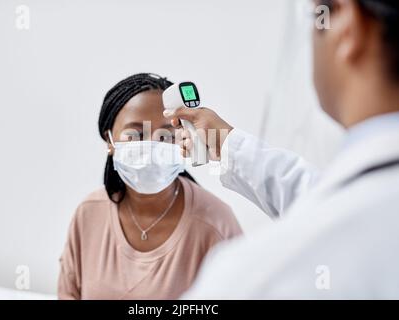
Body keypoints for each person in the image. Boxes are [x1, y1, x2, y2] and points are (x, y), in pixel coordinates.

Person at [163, 0, 399, 298]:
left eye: (314, 18)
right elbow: (320, 197)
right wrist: (228, 144)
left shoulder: (254, 280)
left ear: (346, 23)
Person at [57, 73, 242, 299]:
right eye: (135, 134)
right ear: (109, 141)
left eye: (166, 135)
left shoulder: (216, 224)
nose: (153, 147)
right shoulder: (89, 214)